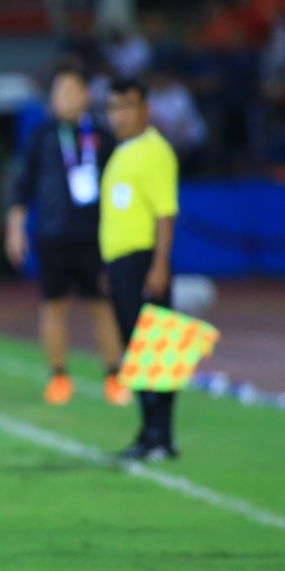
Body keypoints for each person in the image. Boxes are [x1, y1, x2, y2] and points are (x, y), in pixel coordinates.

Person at [5, 65, 126, 406]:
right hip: (52, 235)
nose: (64, 99)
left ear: (85, 95)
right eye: (59, 93)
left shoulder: (103, 136)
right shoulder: (42, 136)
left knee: (101, 305)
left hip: (95, 236)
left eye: (71, 91)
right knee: (53, 306)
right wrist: (16, 230)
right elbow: (22, 188)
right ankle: (58, 375)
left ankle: (115, 375)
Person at [102, 77, 181, 460]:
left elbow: (165, 213)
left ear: (145, 110)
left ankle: (161, 436)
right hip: (120, 262)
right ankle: (148, 432)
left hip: (143, 260)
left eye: (127, 106)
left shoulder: (154, 150)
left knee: (156, 350)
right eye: (113, 107)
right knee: (135, 352)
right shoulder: (122, 151)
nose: (119, 115)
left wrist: (159, 265)